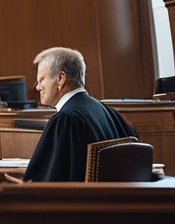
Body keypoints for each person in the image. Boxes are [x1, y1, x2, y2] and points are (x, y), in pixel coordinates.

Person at [23, 47, 136, 181]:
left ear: (60, 79)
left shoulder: (66, 120)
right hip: (114, 200)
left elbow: (44, 183)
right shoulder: (109, 112)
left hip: (82, 201)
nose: (37, 87)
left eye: (41, 79)